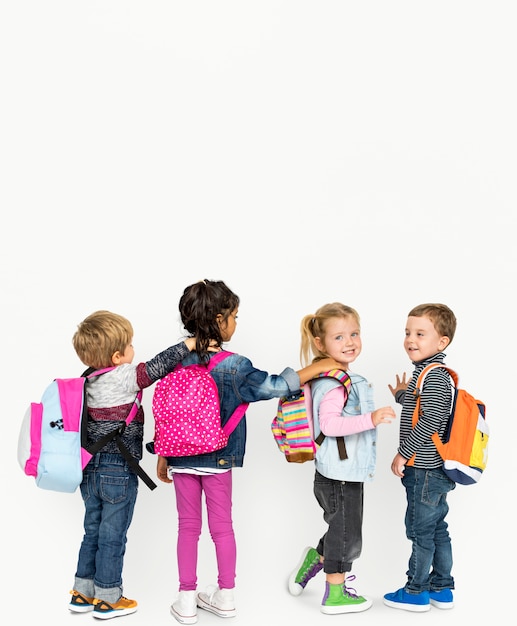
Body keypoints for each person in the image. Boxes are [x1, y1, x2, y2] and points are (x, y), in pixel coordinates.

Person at [155, 280, 343, 624]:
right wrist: (314, 369)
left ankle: (185, 600)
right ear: (219, 319)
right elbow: (274, 386)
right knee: (222, 528)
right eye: (234, 316)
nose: (236, 323)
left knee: (187, 528)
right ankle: (225, 597)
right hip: (219, 457)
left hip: (181, 458)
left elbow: (169, 413)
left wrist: (163, 453)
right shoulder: (235, 365)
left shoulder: (175, 360)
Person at [68, 310, 196, 620]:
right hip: (117, 469)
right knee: (113, 535)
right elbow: (155, 368)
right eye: (129, 345)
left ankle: (82, 592)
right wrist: (188, 346)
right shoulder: (123, 375)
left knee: (93, 531)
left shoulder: (87, 379)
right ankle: (109, 597)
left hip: (89, 468)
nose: (133, 350)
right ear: (116, 355)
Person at [287, 302, 396, 615]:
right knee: (346, 534)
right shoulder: (334, 382)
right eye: (339, 337)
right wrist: (372, 418)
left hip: (343, 471)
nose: (350, 342)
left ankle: (316, 558)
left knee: (343, 528)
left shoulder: (343, 377)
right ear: (320, 344)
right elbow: (331, 426)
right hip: (338, 474)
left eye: (354, 333)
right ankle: (335, 592)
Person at [383, 303, 457, 612]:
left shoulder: (434, 375)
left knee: (420, 532)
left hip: (425, 468)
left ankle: (416, 591)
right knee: (437, 528)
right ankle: (441, 588)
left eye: (420, 333)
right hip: (434, 470)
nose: (411, 339)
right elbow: (421, 407)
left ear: (442, 342)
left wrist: (403, 452)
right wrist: (403, 395)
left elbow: (430, 420)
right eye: (408, 332)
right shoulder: (424, 373)